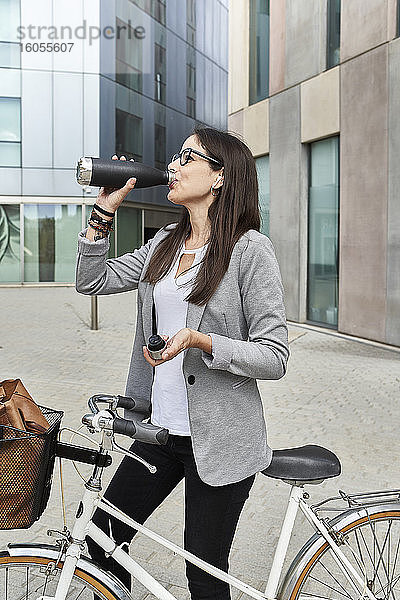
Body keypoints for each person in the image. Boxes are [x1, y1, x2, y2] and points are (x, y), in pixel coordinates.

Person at [76, 127, 289, 600]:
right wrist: (102, 214)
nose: (173, 164)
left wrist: (202, 340)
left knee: (203, 570)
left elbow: (274, 355)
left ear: (219, 176)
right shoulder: (166, 242)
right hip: (158, 431)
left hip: (220, 440)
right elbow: (90, 281)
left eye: (187, 157)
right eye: (176, 156)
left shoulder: (249, 249)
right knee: (100, 538)